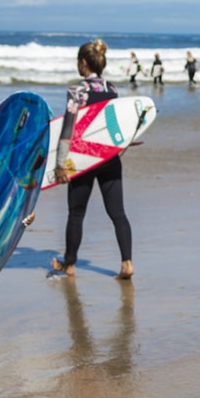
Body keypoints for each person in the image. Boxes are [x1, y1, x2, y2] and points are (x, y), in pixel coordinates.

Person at [50, 39, 135, 281]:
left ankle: (69, 264)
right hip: (108, 157)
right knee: (118, 212)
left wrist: (60, 164)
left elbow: (68, 129)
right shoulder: (113, 90)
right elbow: (114, 124)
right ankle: (127, 263)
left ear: (84, 62)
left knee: (76, 213)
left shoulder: (77, 91)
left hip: (83, 158)